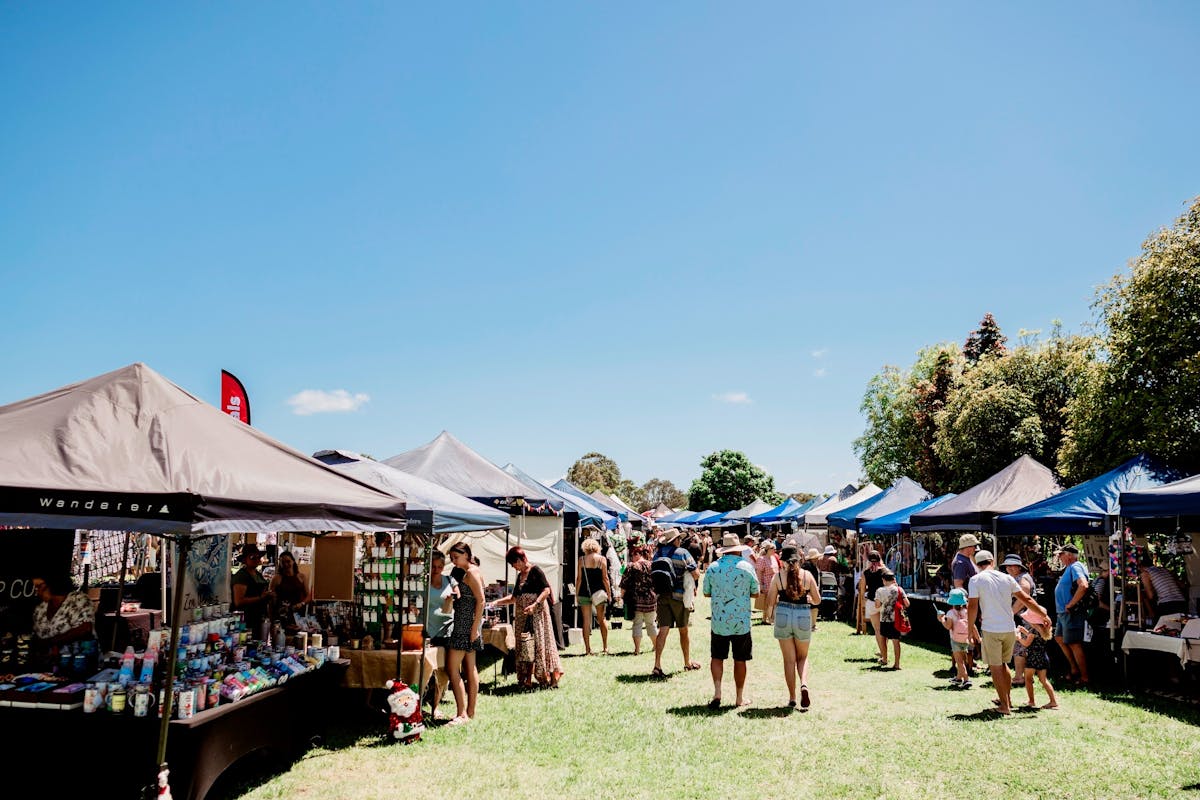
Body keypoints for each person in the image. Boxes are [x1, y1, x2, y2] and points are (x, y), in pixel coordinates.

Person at [967, 549, 1048, 715]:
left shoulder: (976, 580)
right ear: (992, 562)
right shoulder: (1007, 578)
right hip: (1009, 628)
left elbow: (972, 607)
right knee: (1004, 665)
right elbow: (1027, 599)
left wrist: (970, 629)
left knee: (996, 667)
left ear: (977, 564)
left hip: (991, 629)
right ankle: (1008, 701)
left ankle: (1004, 706)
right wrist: (1043, 614)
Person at [702, 533, 760, 708]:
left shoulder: (713, 568)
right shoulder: (747, 567)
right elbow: (756, 592)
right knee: (740, 659)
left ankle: (718, 693)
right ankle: (739, 697)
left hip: (719, 620)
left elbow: (706, 592)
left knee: (717, 657)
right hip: (741, 621)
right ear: (738, 550)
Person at [494, 547, 563, 689]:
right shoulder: (520, 576)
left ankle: (549, 678)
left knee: (541, 645)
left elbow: (546, 590)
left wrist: (534, 604)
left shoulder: (535, 571)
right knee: (526, 648)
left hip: (537, 616)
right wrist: (497, 602)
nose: (513, 567)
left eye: (513, 564)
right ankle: (526, 680)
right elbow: (514, 598)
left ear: (519, 560)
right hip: (522, 618)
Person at [766, 545, 821, 708]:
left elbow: (770, 601)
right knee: (803, 657)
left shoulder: (778, 577)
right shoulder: (807, 575)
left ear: (783, 561)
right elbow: (817, 600)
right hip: (803, 615)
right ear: (799, 560)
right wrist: (809, 599)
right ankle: (804, 684)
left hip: (783, 614)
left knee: (789, 660)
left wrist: (770, 615)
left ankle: (792, 697)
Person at [652, 528, 701, 677]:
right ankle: (687, 662)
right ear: (676, 540)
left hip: (662, 596)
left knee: (663, 630)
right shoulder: (682, 553)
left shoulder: (657, 554)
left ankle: (657, 665)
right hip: (679, 597)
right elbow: (696, 574)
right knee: (683, 629)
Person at [445, 542, 485, 725]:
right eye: (452, 558)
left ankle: (462, 713)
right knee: (470, 668)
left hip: (465, 625)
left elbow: (481, 601)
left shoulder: (471, 573)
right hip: (468, 624)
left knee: (452, 668)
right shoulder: (464, 572)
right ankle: (469, 712)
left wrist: (474, 629)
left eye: (456, 557)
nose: (453, 561)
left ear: (466, 554)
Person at [31, 573, 97, 667]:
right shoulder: (41, 608)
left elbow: (85, 628)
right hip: (49, 666)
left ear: (52, 584)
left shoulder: (77, 599)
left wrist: (53, 642)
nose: (37, 592)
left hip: (78, 663)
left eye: (39, 586)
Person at [424, 550, 458, 719]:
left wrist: (452, 597)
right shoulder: (422, 583)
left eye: (440, 566)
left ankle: (435, 707)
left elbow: (459, 594)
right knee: (427, 670)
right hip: (427, 631)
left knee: (442, 671)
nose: (436, 569)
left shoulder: (449, 580)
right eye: (433, 566)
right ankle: (419, 704)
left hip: (446, 630)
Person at [1053, 544, 1091, 687]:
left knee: (1074, 643)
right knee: (1059, 638)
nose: (1060, 557)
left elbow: (1083, 585)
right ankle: (1074, 669)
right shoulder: (1070, 568)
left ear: (1069, 555)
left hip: (1071, 612)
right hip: (1063, 613)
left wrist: (1071, 604)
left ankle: (1084, 677)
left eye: (1061, 554)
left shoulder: (1076, 566)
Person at [1001, 554, 1035, 687]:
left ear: (1018, 567)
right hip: (1022, 617)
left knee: (1020, 647)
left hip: (1025, 618)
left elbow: (1023, 599)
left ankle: (1019, 677)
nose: (1008, 568)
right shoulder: (1016, 578)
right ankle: (1023, 676)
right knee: (1019, 646)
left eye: (1011, 565)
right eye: (1007, 566)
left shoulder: (1022, 579)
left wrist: (1009, 613)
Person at [1016, 610, 1059, 710]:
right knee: (1043, 680)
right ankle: (1053, 701)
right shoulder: (1043, 629)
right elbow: (1034, 638)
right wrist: (1025, 632)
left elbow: (1026, 643)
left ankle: (1031, 701)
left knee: (1028, 678)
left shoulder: (1033, 631)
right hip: (1042, 656)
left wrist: (1018, 638)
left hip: (1033, 657)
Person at [619, 545, 658, 655]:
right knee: (651, 623)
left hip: (636, 600)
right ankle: (656, 647)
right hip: (651, 598)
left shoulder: (631, 566)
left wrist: (621, 597)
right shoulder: (652, 565)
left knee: (637, 624)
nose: (632, 557)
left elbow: (624, 584)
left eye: (632, 555)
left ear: (637, 554)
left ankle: (637, 649)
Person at [576, 537, 611, 655]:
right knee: (602, 619)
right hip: (599, 592)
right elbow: (605, 578)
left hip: (584, 592)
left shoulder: (581, 559)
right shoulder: (602, 559)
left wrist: (577, 593)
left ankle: (587, 649)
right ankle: (605, 647)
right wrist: (609, 593)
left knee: (586, 621)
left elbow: (579, 579)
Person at [952, 534, 981, 674]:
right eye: (974, 546)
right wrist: (965, 606)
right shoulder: (961, 562)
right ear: (968, 547)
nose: (976, 549)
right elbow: (958, 585)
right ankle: (964, 665)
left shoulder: (966, 559)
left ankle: (969, 662)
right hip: (967, 604)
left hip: (971, 602)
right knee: (965, 634)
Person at [232, 543, 273, 639]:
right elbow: (238, 601)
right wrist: (260, 598)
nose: (256, 559)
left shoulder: (258, 574)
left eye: (258, 557)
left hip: (259, 617)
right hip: (247, 619)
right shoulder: (242, 576)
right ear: (245, 559)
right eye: (252, 557)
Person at [938, 588, 975, 688]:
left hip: (955, 639)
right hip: (965, 639)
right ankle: (959, 678)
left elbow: (948, 626)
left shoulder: (950, 613)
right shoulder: (966, 612)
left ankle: (966, 680)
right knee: (963, 659)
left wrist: (941, 619)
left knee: (959, 662)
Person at [873, 569, 909, 670]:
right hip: (896, 619)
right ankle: (897, 664)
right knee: (896, 641)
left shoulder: (880, 590)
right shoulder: (899, 590)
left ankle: (884, 659)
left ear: (883, 580)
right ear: (894, 579)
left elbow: (877, 605)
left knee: (883, 639)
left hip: (884, 619)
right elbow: (907, 604)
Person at [268, 550, 310, 632]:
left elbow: (308, 596)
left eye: (288, 561)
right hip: (281, 616)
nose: (286, 564)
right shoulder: (276, 578)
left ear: (293, 561)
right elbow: (270, 600)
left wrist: (301, 604)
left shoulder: (301, 577)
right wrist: (271, 620)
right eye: (283, 562)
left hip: (297, 615)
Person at [858, 551, 887, 665]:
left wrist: (863, 600)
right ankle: (884, 652)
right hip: (884, 602)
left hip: (872, 601)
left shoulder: (866, 572)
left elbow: (863, 588)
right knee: (884, 629)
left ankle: (883, 653)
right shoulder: (885, 571)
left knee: (878, 630)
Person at [754, 541, 781, 623]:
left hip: (774, 583)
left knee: (773, 601)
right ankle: (766, 619)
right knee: (767, 602)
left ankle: (769, 618)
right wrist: (760, 584)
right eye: (773, 548)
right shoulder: (762, 559)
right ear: (768, 550)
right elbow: (759, 572)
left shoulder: (773, 558)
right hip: (766, 582)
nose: (775, 550)